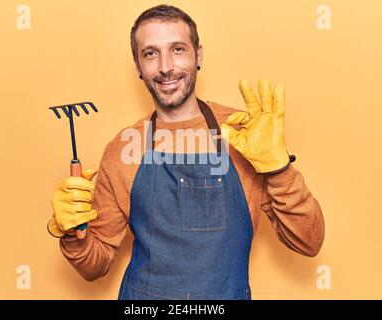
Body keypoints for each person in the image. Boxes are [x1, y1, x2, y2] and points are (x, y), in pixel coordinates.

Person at [47, 4, 325, 300]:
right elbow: (94, 265)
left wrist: (279, 168)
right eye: (151, 53)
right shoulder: (122, 149)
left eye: (177, 49)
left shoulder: (246, 135)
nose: (166, 66)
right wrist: (72, 232)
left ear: (198, 56)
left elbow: (309, 242)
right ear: (138, 66)